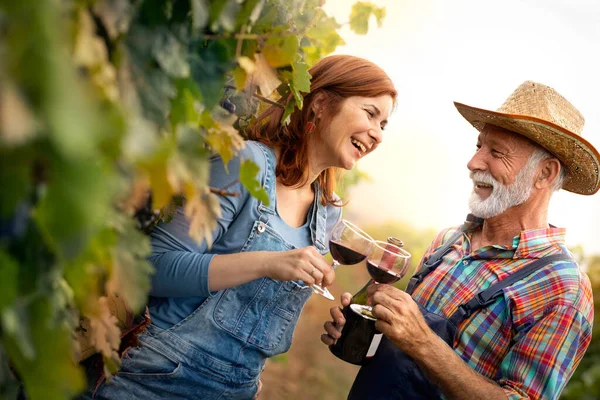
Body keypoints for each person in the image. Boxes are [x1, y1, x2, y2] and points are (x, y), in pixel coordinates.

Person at [89, 55, 397, 399]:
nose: (378, 135)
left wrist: (342, 328)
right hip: (159, 377)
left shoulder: (328, 213)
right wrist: (267, 263)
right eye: (371, 113)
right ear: (322, 104)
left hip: (239, 389)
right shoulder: (247, 164)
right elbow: (153, 268)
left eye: (384, 124)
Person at [322, 81, 598, 400]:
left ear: (545, 174)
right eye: (478, 146)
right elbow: (398, 355)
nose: (474, 162)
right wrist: (361, 333)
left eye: (496, 152)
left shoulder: (564, 289)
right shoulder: (449, 240)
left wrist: (423, 342)